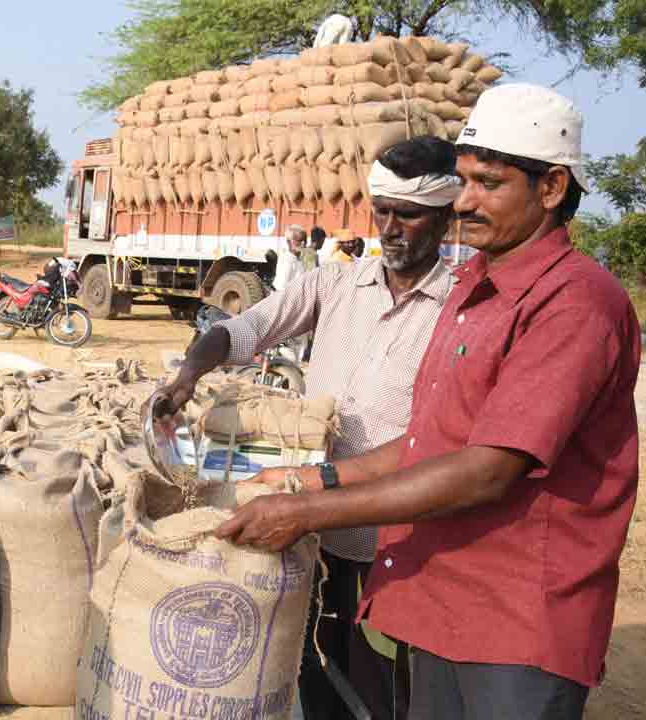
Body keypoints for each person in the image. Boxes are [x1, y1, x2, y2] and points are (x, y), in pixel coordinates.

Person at [215, 84, 640, 720]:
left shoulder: (573, 302)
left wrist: (307, 512)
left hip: (517, 620)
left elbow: (487, 469)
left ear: (551, 188)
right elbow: (432, 438)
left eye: (487, 184)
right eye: (461, 182)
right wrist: (316, 477)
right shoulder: (476, 286)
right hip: (436, 596)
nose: (463, 203)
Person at [162, 136, 464, 720]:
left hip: (399, 538)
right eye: (383, 212)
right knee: (310, 668)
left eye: (410, 215)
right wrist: (187, 375)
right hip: (311, 532)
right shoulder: (336, 284)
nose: (392, 228)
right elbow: (243, 329)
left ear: (447, 216)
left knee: (387, 680)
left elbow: (444, 440)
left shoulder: (461, 307)